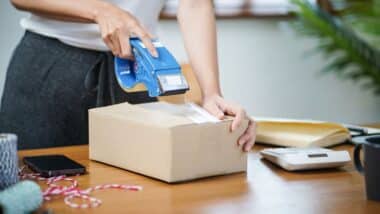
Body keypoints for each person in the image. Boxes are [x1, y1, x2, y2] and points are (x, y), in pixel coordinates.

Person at [0, 0, 256, 150]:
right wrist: (100, 10)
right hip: (49, 70)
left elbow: (195, 3)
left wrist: (212, 93)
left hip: (137, 72)